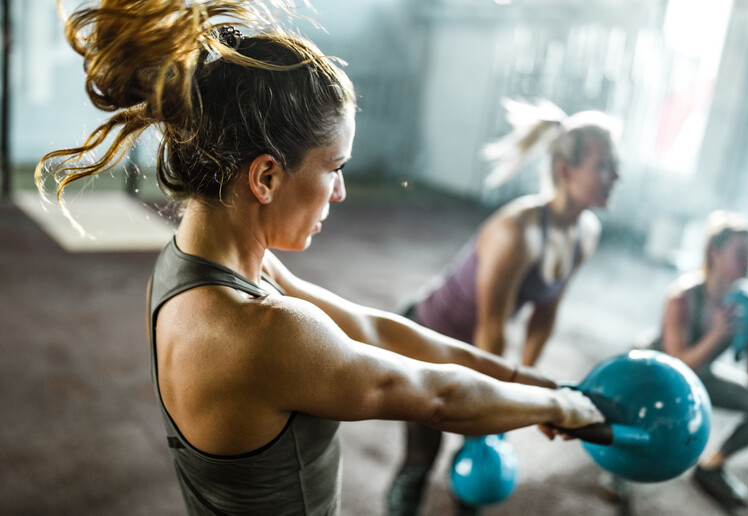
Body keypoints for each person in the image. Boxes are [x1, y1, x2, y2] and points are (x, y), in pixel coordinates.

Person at [35, 2, 605, 515]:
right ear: (265, 176)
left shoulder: (191, 265)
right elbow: (436, 396)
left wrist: (523, 380)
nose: (340, 192)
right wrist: (560, 406)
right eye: (333, 167)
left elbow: (370, 327)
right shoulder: (263, 332)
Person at [387, 99, 620, 515]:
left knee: (478, 460)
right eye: (604, 166)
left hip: (477, 343)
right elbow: (491, 331)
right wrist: (504, 400)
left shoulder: (586, 232)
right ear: (566, 171)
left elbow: (545, 314)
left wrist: (527, 387)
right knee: (422, 457)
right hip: (428, 337)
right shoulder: (518, 231)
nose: (616, 176)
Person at [653, 210, 748, 507]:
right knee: (649, 427)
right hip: (658, 378)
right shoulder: (682, 297)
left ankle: (711, 467)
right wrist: (718, 334)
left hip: (701, 377)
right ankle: (617, 471)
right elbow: (679, 365)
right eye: (741, 254)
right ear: (714, 253)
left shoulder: (747, 303)